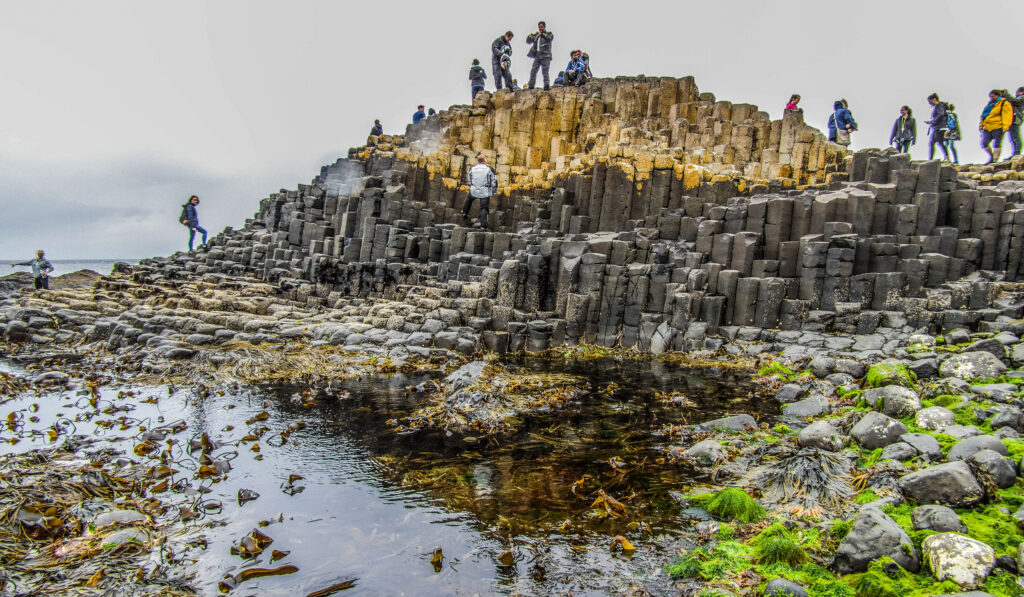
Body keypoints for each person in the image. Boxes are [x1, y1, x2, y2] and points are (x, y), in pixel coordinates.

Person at [980, 89, 1013, 164]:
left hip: (998, 126)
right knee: (984, 143)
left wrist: (1006, 126)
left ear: (998, 95)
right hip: (988, 127)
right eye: (990, 96)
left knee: (997, 144)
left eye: (992, 96)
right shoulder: (989, 105)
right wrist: (981, 125)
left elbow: (1007, 115)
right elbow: (984, 116)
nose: (991, 98)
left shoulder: (1004, 103)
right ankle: (991, 156)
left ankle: (995, 160)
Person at [464, 154, 497, 229]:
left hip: (474, 191)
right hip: (484, 192)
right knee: (484, 208)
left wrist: (471, 187)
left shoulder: (472, 168)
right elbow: (494, 181)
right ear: (485, 160)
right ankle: (483, 226)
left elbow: (469, 180)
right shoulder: (489, 169)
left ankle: (464, 212)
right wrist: (494, 192)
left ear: (478, 161)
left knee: (468, 199)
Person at [525, 21, 553, 91]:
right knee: (533, 70)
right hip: (538, 55)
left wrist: (542, 34)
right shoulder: (536, 36)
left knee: (545, 71)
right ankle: (531, 86)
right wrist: (529, 36)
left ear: (544, 27)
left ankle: (546, 86)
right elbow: (528, 41)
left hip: (546, 55)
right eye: (539, 27)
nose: (540, 28)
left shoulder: (549, 34)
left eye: (541, 27)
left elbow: (549, 39)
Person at [924, 93, 950, 161]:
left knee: (937, 143)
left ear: (934, 99)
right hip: (937, 127)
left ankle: (945, 157)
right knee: (934, 143)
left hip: (939, 128)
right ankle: (932, 158)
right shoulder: (938, 106)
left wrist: (933, 122)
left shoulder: (939, 105)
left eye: (930, 101)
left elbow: (941, 114)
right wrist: (931, 122)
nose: (929, 103)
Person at [1003, 87, 1024, 159]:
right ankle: (1015, 153)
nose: (1017, 93)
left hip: (1016, 119)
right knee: (1013, 137)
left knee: (1015, 137)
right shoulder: (1019, 98)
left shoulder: (1022, 98)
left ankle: (1017, 153)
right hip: (1012, 119)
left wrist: (1006, 94)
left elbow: (1015, 101)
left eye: (1018, 91)